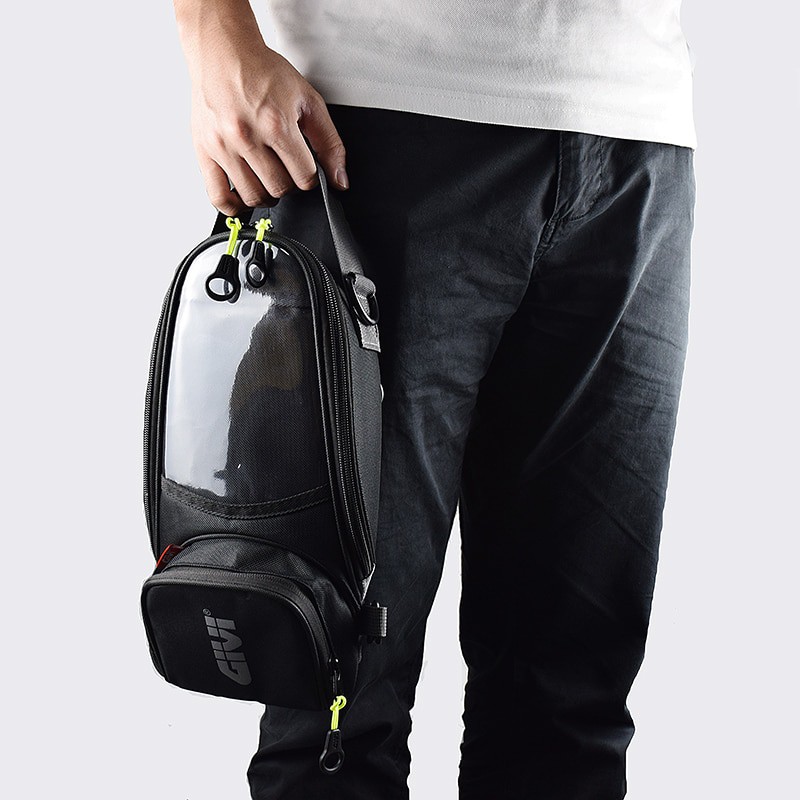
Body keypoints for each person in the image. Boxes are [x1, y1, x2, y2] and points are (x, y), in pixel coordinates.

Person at [171, 1, 697, 797]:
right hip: (370, 123)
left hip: (636, 136)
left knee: (569, 717)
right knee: (335, 699)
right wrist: (215, 35)